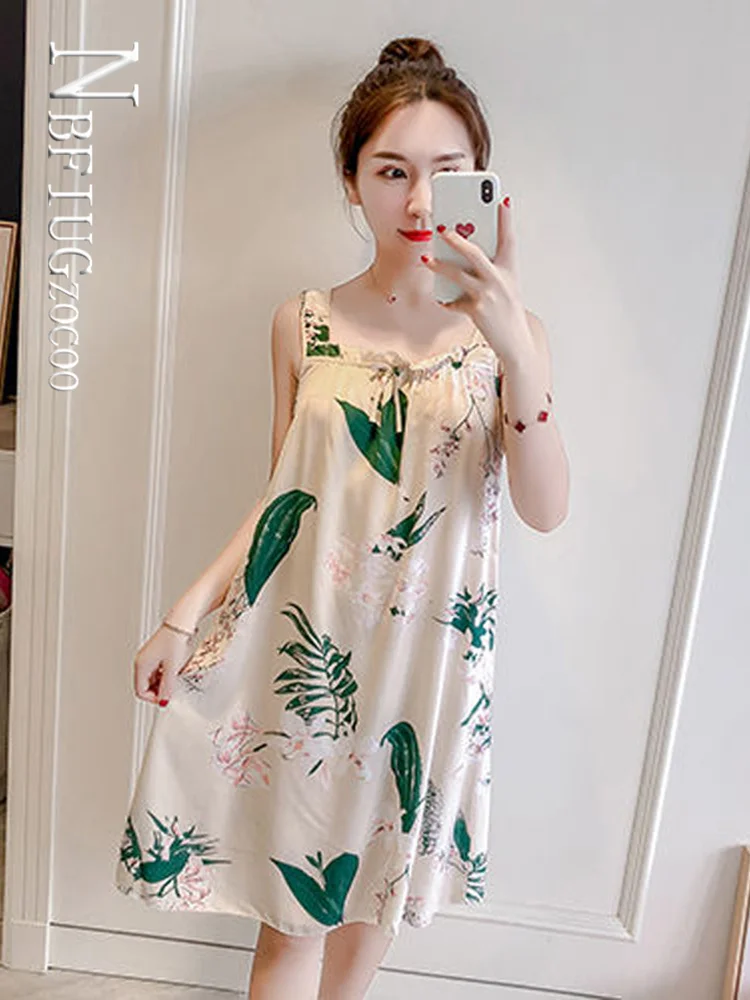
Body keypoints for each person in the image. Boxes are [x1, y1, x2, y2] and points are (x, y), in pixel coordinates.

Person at [115, 35, 569, 1000]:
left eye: (447, 171)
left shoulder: (515, 338)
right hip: (310, 651)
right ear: (351, 181)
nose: (420, 201)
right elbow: (282, 495)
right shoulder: (303, 322)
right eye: (391, 170)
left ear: (483, 182)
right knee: (294, 920)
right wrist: (184, 616)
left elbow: (544, 509)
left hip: (429, 661)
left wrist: (515, 348)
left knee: (373, 911)